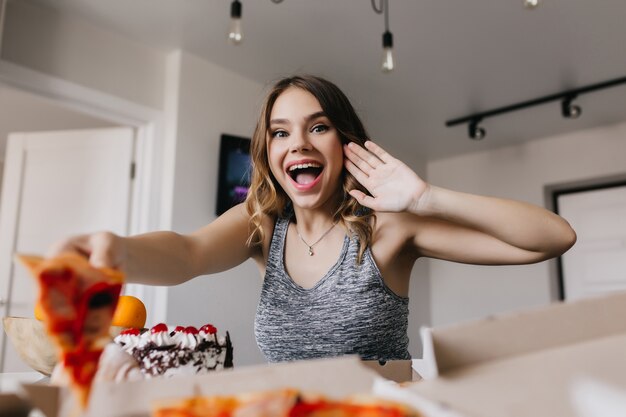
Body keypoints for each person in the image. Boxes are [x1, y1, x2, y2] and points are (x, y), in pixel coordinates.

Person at [48, 75, 576, 362]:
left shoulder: (389, 230)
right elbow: (187, 254)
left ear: (345, 143)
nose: (297, 142)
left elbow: (552, 238)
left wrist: (425, 198)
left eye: (317, 127)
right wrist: (118, 251)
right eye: (280, 132)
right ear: (269, 152)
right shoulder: (261, 226)